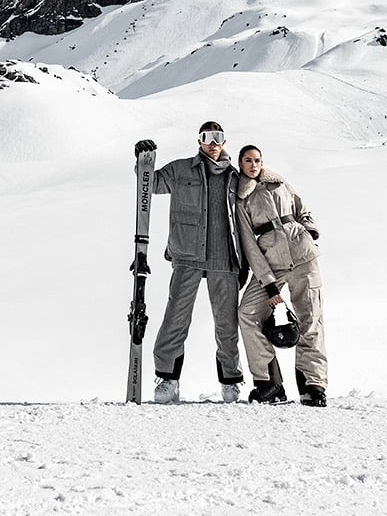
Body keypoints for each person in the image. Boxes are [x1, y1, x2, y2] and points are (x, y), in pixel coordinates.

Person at [135, 121, 249, 403]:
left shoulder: (236, 177)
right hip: (187, 255)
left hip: (225, 258)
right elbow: (150, 184)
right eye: (207, 137)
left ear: (224, 141)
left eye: (218, 137)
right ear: (199, 141)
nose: (213, 143)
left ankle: (231, 382)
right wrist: (142, 162)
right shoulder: (181, 169)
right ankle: (168, 379)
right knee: (176, 319)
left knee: (227, 324)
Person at [234, 144, 328, 407]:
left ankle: (314, 386)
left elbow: (302, 208)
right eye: (248, 160)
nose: (254, 165)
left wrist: (309, 232)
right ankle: (269, 384)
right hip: (272, 264)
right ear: (240, 164)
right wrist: (270, 287)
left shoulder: (280, 183)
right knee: (247, 313)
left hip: (303, 256)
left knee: (311, 320)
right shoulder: (241, 199)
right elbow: (249, 246)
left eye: (257, 160)